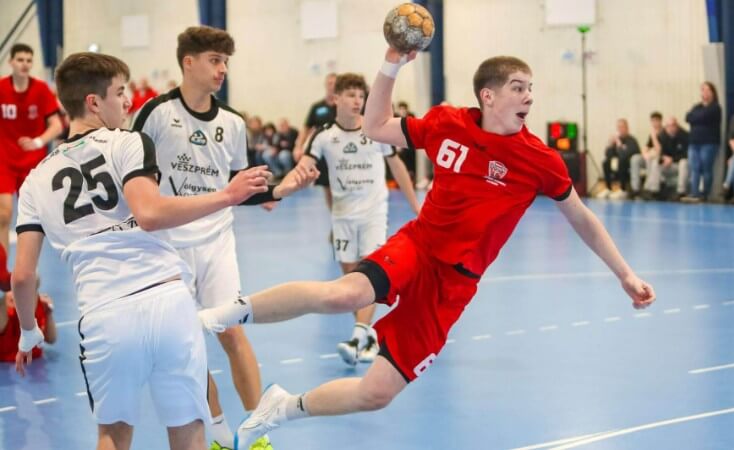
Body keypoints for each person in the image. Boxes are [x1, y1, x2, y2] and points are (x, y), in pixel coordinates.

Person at [199, 50, 656, 450]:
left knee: (375, 393)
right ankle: (222, 314)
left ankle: (282, 407)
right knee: (346, 294)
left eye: (531, 89)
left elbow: (582, 217)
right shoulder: (447, 123)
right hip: (419, 245)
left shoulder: (540, 159)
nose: (529, 97)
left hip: (454, 284)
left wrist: (625, 274)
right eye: (518, 88)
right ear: (488, 96)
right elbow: (375, 125)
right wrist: (391, 65)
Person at [12, 51, 275, 450]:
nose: (128, 102)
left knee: (113, 435)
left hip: (104, 314)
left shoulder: (35, 181)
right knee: (188, 429)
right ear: (93, 102)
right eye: (120, 93)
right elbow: (150, 214)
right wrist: (227, 196)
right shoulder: (128, 142)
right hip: (168, 302)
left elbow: (22, 277)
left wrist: (29, 331)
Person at [132, 26, 311, 450]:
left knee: (231, 331)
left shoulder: (232, 122)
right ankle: (216, 433)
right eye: (214, 60)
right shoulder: (155, 114)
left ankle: (256, 432)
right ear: (188, 62)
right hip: (167, 246)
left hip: (216, 243)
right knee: (187, 345)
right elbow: (134, 180)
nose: (222, 69)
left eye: (226, 62)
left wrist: (280, 190)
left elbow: (239, 187)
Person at [298, 73, 420, 366]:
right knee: (353, 282)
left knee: (370, 274)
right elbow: (303, 166)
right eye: (351, 95)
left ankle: (356, 337)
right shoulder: (324, 135)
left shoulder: (375, 130)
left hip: (373, 213)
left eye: (361, 96)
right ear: (336, 99)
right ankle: (369, 337)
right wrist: (276, 192)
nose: (357, 101)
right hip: (342, 216)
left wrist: (417, 206)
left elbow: (397, 166)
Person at [0, 43, 64, 255]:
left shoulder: (41, 90)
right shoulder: (1, 88)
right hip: (4, 159)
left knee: (30, 219)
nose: (25, 64)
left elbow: (57, 125)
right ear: (11, 62)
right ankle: (2, 269)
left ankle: (27, 268)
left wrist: (37, 141)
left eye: (29, 60)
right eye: (20, 60)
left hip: (32, 161)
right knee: (4, 214)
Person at [294, 73, 338, 211]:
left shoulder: (344, 106)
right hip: (323, 153)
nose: (332, 86)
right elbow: (306, 128)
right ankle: (334, 216)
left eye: (335, 83)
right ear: (325, 85)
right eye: (329, 83)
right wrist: (298, 146)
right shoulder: (317, 107)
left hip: (340, 151)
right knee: (327, 186)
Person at [682, 81, 722, 203]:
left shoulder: (715, 108)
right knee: (694, 168)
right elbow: (687, 117)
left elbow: (702, 117)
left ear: (713, 92)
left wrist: (696, 118)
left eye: (707, 90)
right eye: (703, 90)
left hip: (709, 143)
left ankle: (705, 193)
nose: (704, 92)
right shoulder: (697, 107)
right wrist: (696, 117)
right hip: (694, 142)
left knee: (706, 168)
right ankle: (695, 193)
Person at [597, 118, 640, 199]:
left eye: (622, 127)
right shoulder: (616, 141)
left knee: (622, 161)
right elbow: (608, 154)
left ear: (627, 128)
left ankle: (623, 190)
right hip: (618, 164)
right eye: (618, 127)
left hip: (628, 165)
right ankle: (608, 188)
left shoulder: (631, 140)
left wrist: (619, 144)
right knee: (606, 161)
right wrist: (610, 144)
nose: (620, 129)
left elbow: (624, 154)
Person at [630, 112, 663, 199]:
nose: (654, 123)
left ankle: (649, 188)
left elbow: (659, 150)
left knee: (652, 159)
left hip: (658, 159)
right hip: (649, 157)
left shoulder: (663, 133)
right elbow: (646, 147)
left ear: (660, 121)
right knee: (635, 158)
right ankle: (635, 188)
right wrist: (645, 154)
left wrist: (654, 137)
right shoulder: (652, 133)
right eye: (652, 121)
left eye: (656, 121)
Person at [657, 117, 691, 200]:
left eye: (673, 125)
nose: (671, 128)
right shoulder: (662, 136)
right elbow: (660, 152)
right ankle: (655, 191)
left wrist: (672, 159)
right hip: (668, 165)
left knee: (684, 162)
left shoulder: (685, 136)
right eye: (668, 126)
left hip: (680, 164)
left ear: (677, 126)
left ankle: (681, 192)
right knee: (655, 163)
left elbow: (687, 154)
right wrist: (663, 158)